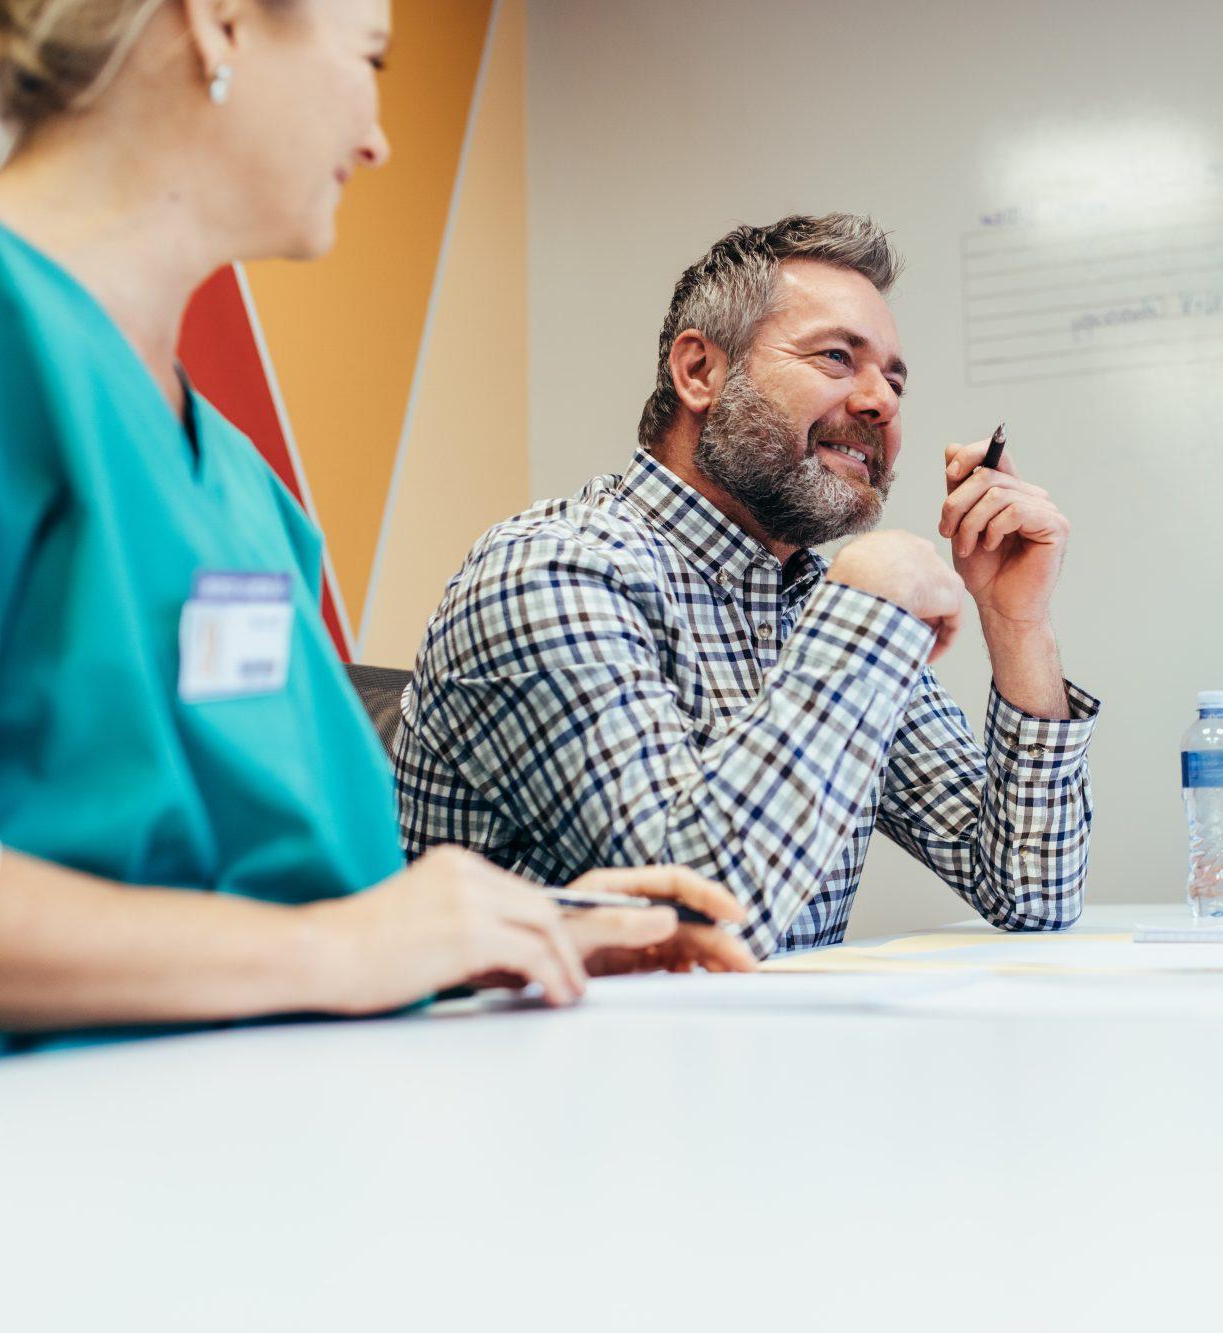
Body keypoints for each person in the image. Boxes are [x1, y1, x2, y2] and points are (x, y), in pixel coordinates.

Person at [0, 0, 748, 1065]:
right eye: (371, 59)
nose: (379, 138)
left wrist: (495, 931)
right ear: (217, 23)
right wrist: (333, 948)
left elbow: (260, 895)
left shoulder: (245, 496)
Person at [392, 215, 1100, 958]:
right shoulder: (548, 573)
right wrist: (866, 605)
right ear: (700, 371)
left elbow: (1031, 888)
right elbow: (699, 929)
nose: (882, 403)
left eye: (894, 380)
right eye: (836, 357)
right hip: (543, 1069)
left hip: (748, 1063)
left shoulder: (817, 601)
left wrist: (1016, 624)